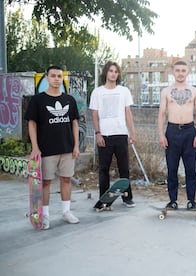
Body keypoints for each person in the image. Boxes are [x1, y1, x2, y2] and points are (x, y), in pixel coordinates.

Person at [25, 65, 80, 230]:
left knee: (66, 179)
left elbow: (75, 124)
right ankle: (45, 215)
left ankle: (66, 212)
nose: (57, 79)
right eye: (53, 76)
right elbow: (32, 124)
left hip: (67, 148)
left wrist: (76, 145)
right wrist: (35, 147)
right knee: (46, 182)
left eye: (59, 76)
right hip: (46, 149)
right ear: (47, 78)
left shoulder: (69, 100)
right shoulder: (38, 100)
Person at [89, 61, 136, 210]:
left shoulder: (124, 91)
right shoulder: (97, 92)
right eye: (111, 71)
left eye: (116, 71)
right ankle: (104, 200)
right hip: (105, 135)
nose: (113, 74)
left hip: (121, 134)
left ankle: (127, 197)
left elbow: (128, 112)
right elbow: (94, 114)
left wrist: (132, 132)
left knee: (124, 169)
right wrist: (98, 133)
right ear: (106, 73)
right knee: (104, 169)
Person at [158, 60, 196, 209]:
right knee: (172, 168)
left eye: (183, 70)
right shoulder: (166, 91)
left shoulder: (195, 91)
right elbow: (161, 114)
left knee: (190, 169)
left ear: (188, 72)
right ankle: (173, 200)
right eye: (178, 70)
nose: (180, 73)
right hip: (172, 131)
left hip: (189, 131)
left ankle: (191, 200)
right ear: (173, 72)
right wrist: (161, 135)